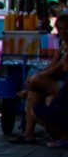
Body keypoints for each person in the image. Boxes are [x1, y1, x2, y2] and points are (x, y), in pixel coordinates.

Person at [14, 13, 68, 144]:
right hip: (58, 85)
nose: (62, 32)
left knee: (36, 82)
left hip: (65, 89)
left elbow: (57, 70)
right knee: (35, 90)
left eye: (65, 28)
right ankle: (28, 133)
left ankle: (27, 92)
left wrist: (36, 79)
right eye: (60, 29)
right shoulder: (63, 46)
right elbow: (52, 66)